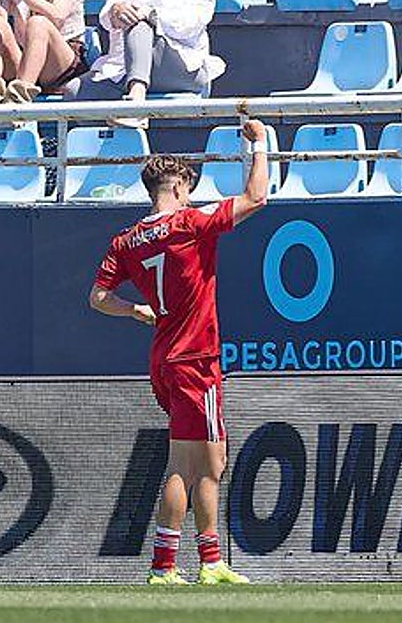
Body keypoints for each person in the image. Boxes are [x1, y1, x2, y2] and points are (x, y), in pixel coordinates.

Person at [88, 120, 269, 585]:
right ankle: (164, 566)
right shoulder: (188, 223)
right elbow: (257, 199)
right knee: (190, 465)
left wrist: (135, 311)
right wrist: (260, 145)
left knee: (208, 462)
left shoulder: (126, 240)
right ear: (178, 186)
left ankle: (211, 561)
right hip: (195, 357)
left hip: (165, 355)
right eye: (188, 187)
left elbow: (98, 297)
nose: (191, 195)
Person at [75, 0, 223, 128]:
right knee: (74, 91)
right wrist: (115, 10)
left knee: (140, 25)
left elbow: (191, 23)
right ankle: (115, 149)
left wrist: (151, 14)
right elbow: (108, 14)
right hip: (124, 67)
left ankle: (136, 105)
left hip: (185, 67)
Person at [0, 0, 84, 104]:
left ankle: (17, 100)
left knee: (37, 22)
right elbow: (2, 21)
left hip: (60, 61)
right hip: (24, 57)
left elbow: (57, 17)